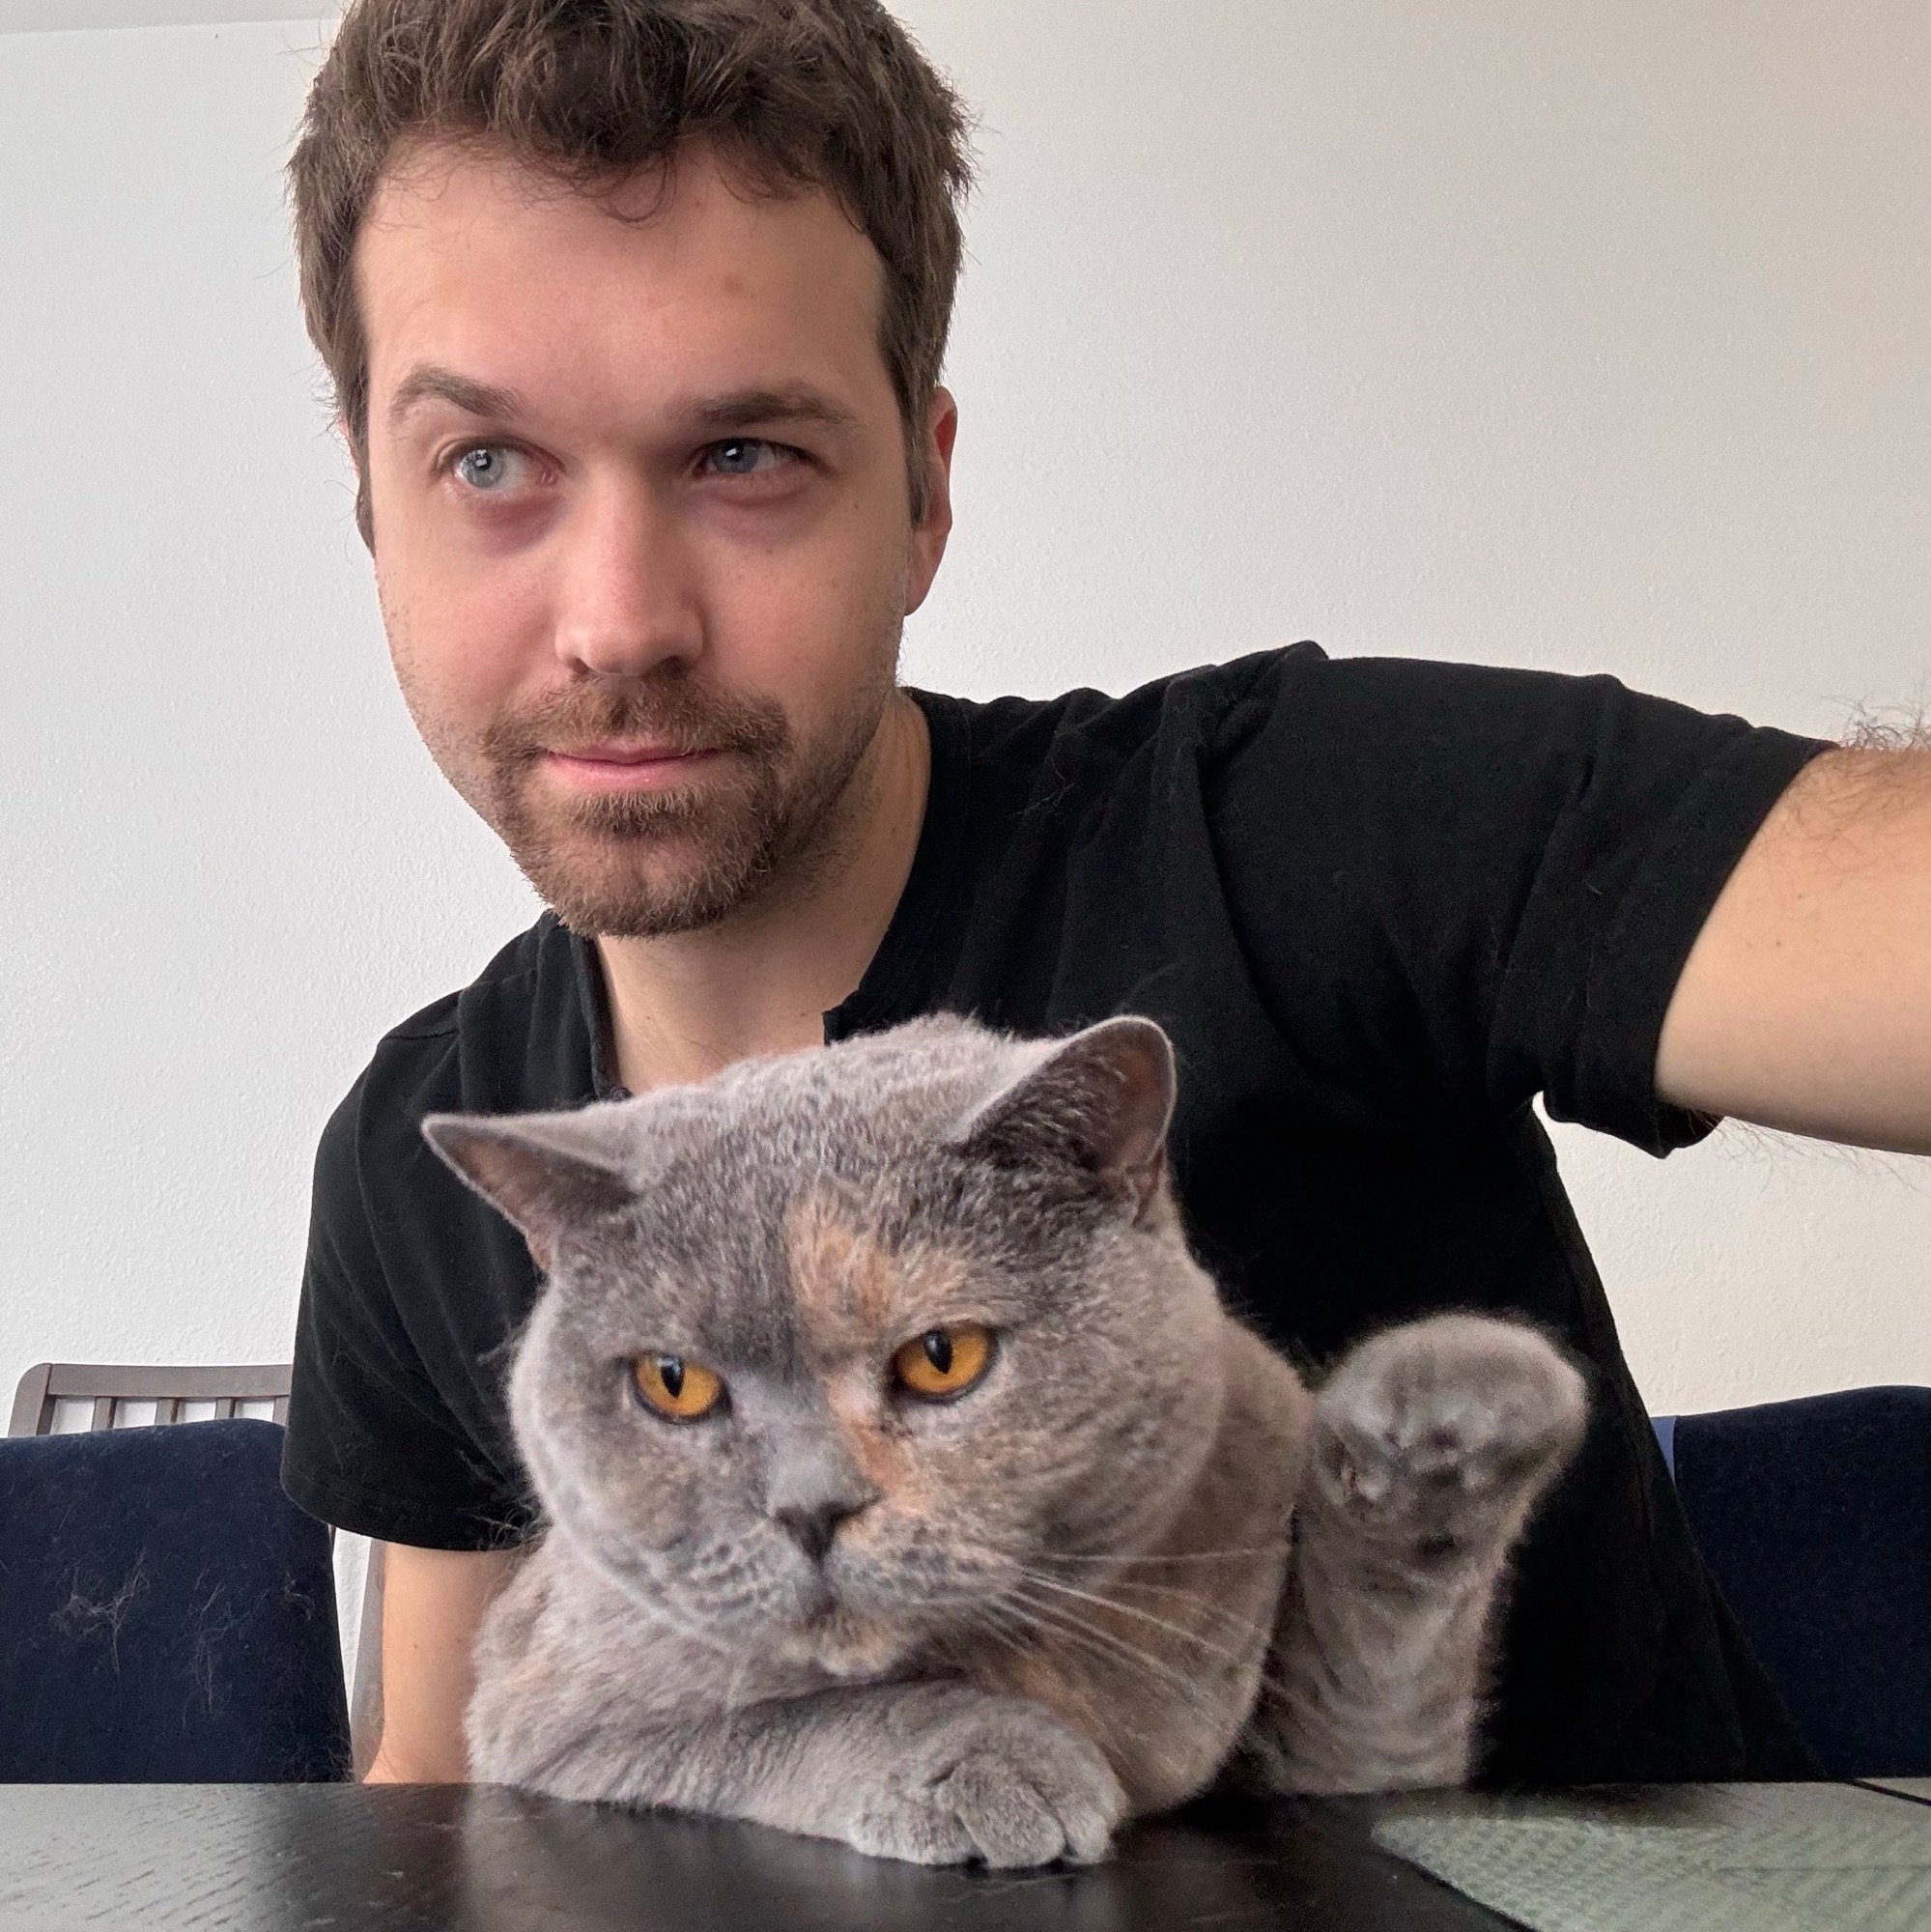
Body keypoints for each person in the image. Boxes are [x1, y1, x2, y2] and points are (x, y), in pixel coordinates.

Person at [278, 0, 1929, 1790]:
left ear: (922, 493)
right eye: (488, 462)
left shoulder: (1285, 830)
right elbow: (443, 1800)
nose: (619, 622)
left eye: (743, 454)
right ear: (371, 510)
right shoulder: (421, 1147)